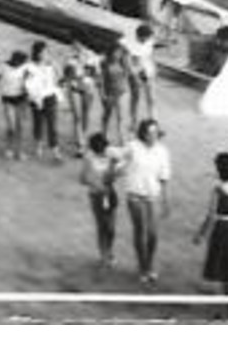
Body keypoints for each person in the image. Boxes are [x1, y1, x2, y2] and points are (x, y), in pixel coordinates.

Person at [194, 151, 228, 318]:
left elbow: (210, 216)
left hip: (223, 230)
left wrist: (201, 234)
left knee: (225, 270)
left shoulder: (217, 190)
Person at [121, 118, 171, 286]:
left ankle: (149, 263)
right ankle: (143, 266)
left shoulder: (162, 151)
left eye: (155, 132)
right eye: (150, 132)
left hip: (152, 195)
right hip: (135, 195)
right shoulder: (133, 147)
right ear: (143, 133)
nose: (153, 135)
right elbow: (121, 164)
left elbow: (164, 177)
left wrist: (165, 200)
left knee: (153, 234)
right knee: (140, 230)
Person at [79, 131, 121, 269]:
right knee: (102, 226)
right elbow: (83, 179)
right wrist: (97, 185)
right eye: (100, 150)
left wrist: (113, 166)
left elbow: (113, 177)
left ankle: (110, 251)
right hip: (96, 196)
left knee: (111, 228)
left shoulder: (110, 155)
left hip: (110, 193)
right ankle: (103, 255)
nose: (103, 152)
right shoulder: (88, 158)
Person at [25, 40, 62, 162]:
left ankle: (55, 149)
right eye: (44, 52)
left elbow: (59, 78)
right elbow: (28, 84)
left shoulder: (50, 65)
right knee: (38, 122)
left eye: (47, 51)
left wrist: (55, 66)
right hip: (37, 98)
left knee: (52, 124)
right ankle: (38, 144)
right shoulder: (30, 66)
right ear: (38, 53)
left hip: (50, 96)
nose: (47, 54)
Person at [61, 41, 100, 155]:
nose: (74, 46)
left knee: (85, 116)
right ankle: (81, 144)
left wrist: (90, 81)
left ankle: (83, 137)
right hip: (74, 90)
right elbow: (66, 75)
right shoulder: (69, 58)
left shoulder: (92, 57)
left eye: (76, 43)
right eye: (72, 44)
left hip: (88, 89)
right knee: (77, 117)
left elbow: (97, 75)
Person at [0, 50, 30, 160]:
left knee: (20, 127)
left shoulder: (25, 68)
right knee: (11, 127)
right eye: (19, 62)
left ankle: (19, 151)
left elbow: (29, 81)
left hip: (21, 98)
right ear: (14, 59)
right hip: (7, 98)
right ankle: (9, 148)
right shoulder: (3, 67)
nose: (20, 64)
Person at [123, 23, 157, 131]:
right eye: (146, 37)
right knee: (135, 98)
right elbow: (128, 62)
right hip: (135, 73)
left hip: (147, 71)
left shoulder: (149, 42)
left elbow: (150, 56)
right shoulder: (128, 44)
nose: (147, 40)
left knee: (151, 98)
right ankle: (133, 122)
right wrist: (134, 75)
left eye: (148, 38)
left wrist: (152, 70)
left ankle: (153, 120)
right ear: (139, 36)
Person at [99, 43, 129, 145]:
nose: (118, 55)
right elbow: (101, 79)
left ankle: (122, 139)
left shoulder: (122, 62)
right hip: (109, 93)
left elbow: (126, 76)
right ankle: (104, 135)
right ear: (111, 52)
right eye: (116, 52)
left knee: (121, 117)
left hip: (121, 93)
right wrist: (102, 94)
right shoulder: (104, 63)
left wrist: (125, 88)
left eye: (120, 52)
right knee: (107, 115)